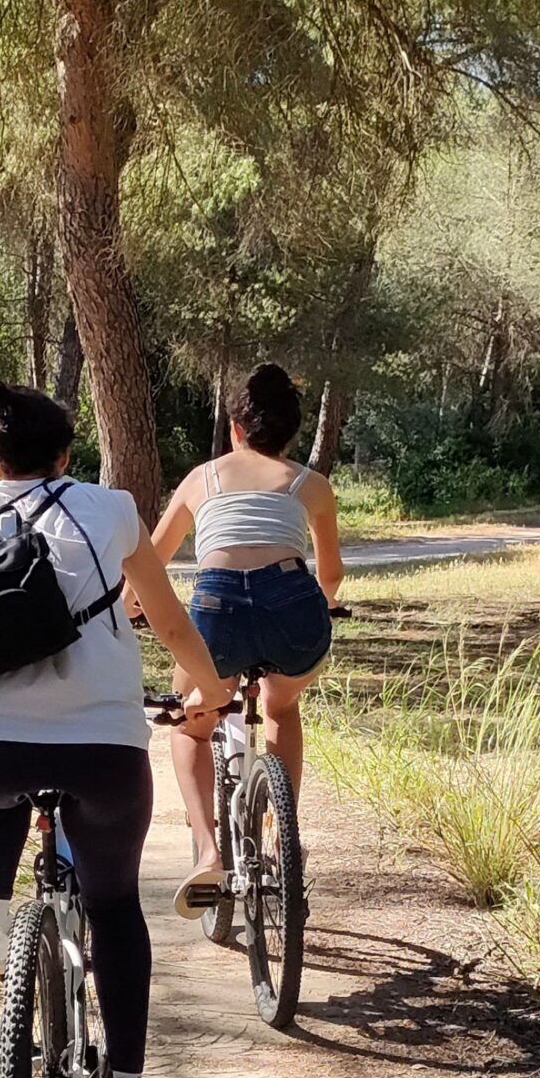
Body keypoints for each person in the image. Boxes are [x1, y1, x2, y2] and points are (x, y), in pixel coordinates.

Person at [0, 382, 234, 1078]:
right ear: (66, 455)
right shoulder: (113, 507)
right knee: (115, 905)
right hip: (103, 754)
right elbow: (165, 615)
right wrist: (209, 692)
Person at [146, 364, 344, 918]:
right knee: (282, 705)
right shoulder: (311, 485)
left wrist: (134, 609)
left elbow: (153, 564)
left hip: (218, 608)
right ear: (291, 434)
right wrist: (321, 604)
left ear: (235, 426)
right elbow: (329, 575)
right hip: (294, 608)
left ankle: (209, 852)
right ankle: (285, 841)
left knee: (194, 719)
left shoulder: (202, 480)